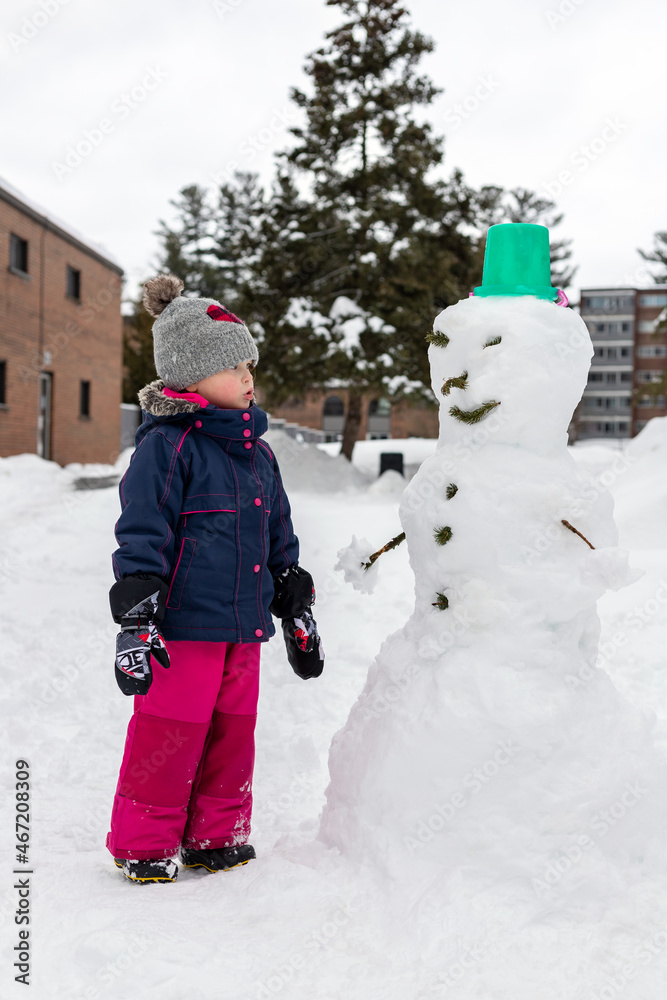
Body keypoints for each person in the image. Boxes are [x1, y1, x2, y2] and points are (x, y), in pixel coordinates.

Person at [106, 274, 324, 884]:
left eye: (250, 365)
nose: (249, 378)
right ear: (191, 378)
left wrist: (295, 599)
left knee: (234, 733)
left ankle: (216, 835)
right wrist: (137, 617)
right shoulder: (167, 448)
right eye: (234, 367)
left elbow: (278, 531)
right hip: (182, 629)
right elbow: (143, 531)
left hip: (244, 627)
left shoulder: (260, 453)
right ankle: (146, 843)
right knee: (169, 733)